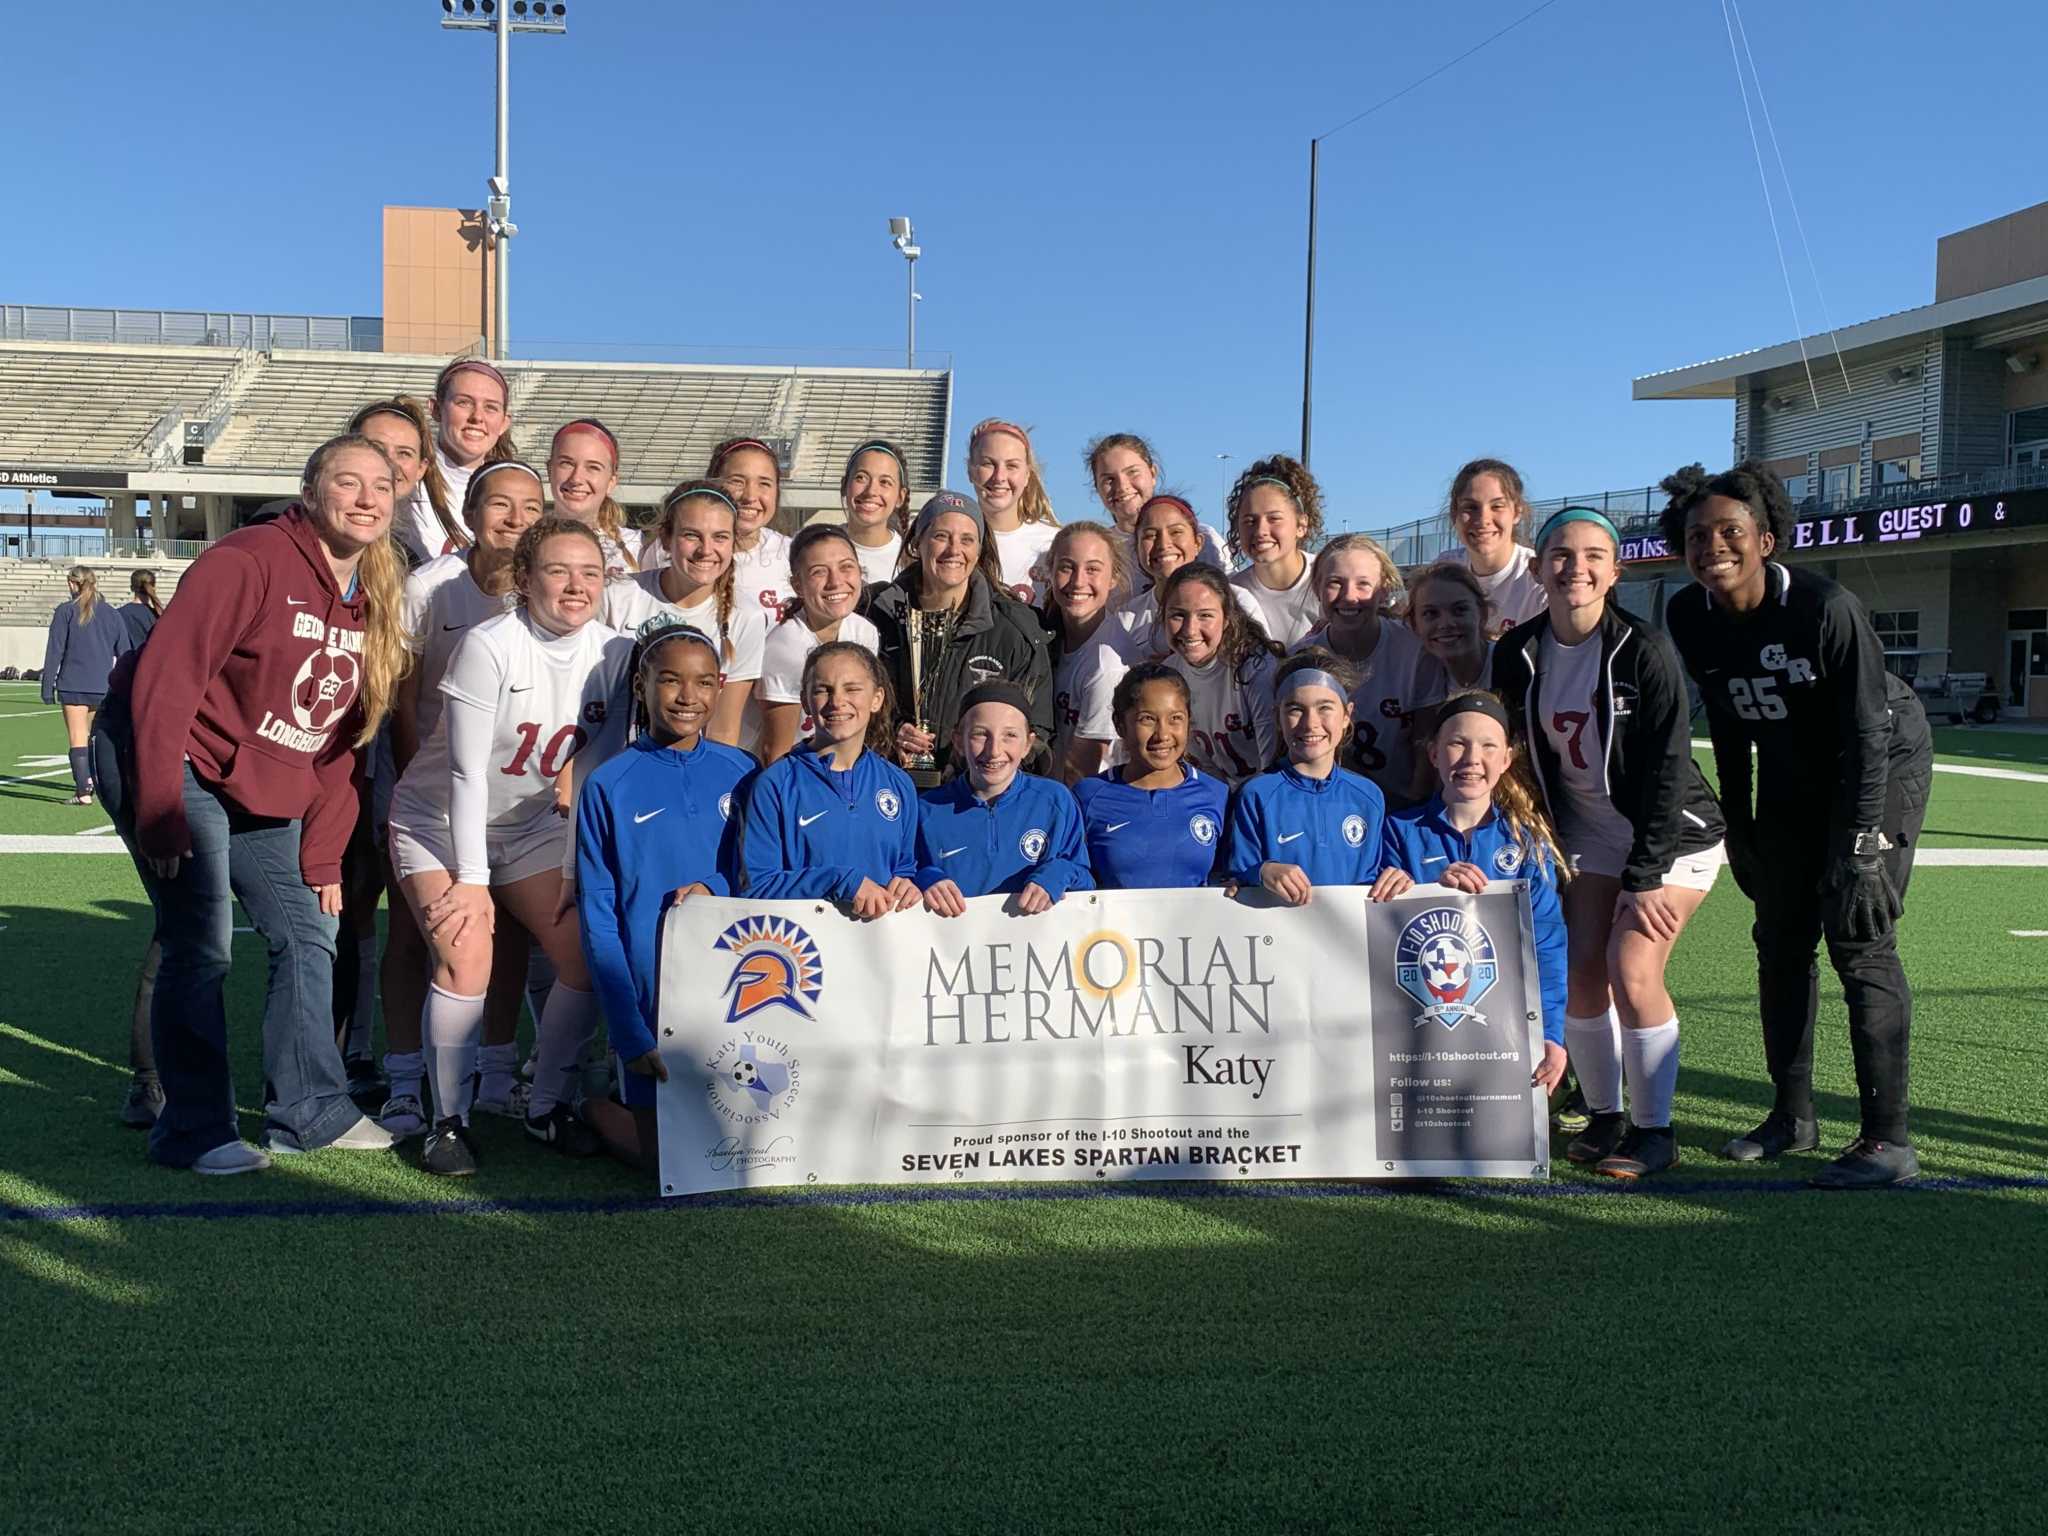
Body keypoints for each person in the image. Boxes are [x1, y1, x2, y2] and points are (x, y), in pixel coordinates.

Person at [92, 434, 408, 1172]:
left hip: (260, 780)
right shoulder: (248, 561)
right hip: (171, 755)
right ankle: (193, 1131)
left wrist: (324, 853)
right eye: (348, 482)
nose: (366, 498)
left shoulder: (374, 598)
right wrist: (161, 808)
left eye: (382, 486)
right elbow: (166, 682)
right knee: (202, 942)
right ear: (311, 493)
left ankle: (313, 1111)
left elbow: (338, 744)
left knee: (307, 931)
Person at [1661, 462, 1933, 1190]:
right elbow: (1728, 726)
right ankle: (1792, 1115)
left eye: (1730, 531)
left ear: (1766, 540)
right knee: (1780, 941)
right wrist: (1742, 830)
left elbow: (1869, 734)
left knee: (1859, 935)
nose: (1712, 546)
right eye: (1697, 535)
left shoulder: (1824, 607)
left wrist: (1860, 848)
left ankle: (1888, 1140)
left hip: (1876, 761)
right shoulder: (1689, 613)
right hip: (1789, 768)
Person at [386, 515, 631, 1175]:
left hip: (528, 827)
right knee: (467, 953)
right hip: (438, 820)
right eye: (558, 570)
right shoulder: (489, 644)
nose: (576, 586)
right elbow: (466, 773)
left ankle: (546, 1103)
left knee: (584, 956)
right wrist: (469, 880)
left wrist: (576, 778)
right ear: (523, 580)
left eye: (589, 572)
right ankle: (447, 1120)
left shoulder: (615, 651)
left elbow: (603, 750)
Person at [1492, 507, 1727, 1179]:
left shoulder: (1643, 649)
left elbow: (1667, 769)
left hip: (1672, 837)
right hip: (1588, 833)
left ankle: (1657, 1132)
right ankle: (1605, 1115)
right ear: (1537, 569)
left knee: (1633, 967)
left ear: (1615, 570)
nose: (1577, 567)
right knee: (1579, 973)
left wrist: (1646, 875)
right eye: (1561, 554)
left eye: (1594, 555)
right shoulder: (1518, 652)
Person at [375, 458, 543, 1138]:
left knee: (506, 937)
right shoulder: (432, 587)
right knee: (422, 937)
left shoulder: (546, 589)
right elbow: (402, 698)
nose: (515, 518)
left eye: (531, 507)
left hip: (509, 801)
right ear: (469, 515)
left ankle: (497, 1073)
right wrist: (422, 776)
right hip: (428, 792)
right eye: (500, 504)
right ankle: (404, 1081)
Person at [575, 618, 753, 1172]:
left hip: (734, 981)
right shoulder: (609, 783)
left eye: (703, 683)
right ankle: (594, 1109)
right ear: (642, 686)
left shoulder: (744, 772)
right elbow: (599, 913)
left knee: (740, 1148)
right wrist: (628, 1030)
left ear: (719, 688)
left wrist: (715, 887)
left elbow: (762, 876)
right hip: (653, 993)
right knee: (667, 1166)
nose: (686, 696)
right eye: (670, 680)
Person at [1371, 692, 1569, 1096]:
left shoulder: (1527, 839)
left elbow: (1546, 945)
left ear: (1506, 759)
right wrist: (1422, 892)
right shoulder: (1397, 830)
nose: (1471, 758)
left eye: (1488, 746)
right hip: (1416, 1028)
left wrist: (1550, 1033)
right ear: (1433, 754)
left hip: (1502, 1026)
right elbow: (1373, 926)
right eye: (1457, 743)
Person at [870, 490, 1053, 784]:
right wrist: (891, 731)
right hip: (887, 787)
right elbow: (851, 704)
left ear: (979, 550)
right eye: (941, 536)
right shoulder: (877, 615)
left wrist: (977, 764)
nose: (954, 550)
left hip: (972, 802)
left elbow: (1038, 733)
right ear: (918, 543)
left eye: (967, 539)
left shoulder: (1014, 631)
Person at [739, 641, 922, 914]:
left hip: (878, 947)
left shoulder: (898, 784)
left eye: (852, 689)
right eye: (823, 690)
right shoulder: (775, 784)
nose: (837, 702)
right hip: (804, 949)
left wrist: (908, 886)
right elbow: (757, 886)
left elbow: (905, 868)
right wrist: (839, 881)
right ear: (804, 700)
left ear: (876, 699)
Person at [602, 479, 766, 750]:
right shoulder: (617, 595)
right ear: (666, 538)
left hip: (688, 772)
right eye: (691, 535)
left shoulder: (747, 617)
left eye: (720, 537)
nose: (706, 549)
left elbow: (723, 730)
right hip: (611, 766)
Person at [914, 680, 1092, 915]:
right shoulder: (926, 809)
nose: (994, 750)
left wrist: (1059, 872)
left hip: (1035, 946)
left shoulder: (1055, 801)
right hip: (958, 947)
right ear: (958, 740)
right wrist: (927, 878)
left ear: (1028, 744)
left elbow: (1085, 879)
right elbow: (905, 871)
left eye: (1009, 735)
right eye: (980, 734)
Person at [1225, 651, 1388, 903]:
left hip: (1350, 939)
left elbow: (1377, 879)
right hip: (1280, 936)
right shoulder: (1256, 794)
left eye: (1324, 708)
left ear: (1347, 715)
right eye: (1296, 709)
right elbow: (1234, 876)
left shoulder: (1368, 796)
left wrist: (1398, 878)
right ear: (1277, 716)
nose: (1310, 723)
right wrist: (1262, 871)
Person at [1298, 533, 1446, 808]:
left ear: (1384, 590)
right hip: (1331, 806)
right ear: (1317, 587)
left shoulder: (1414, 650)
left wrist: (1412, 806)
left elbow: (1426, 740)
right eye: (1334, 584)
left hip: (1405, 807)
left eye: (1363, 584)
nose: (1349, 597)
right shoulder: (1303, 658)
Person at [1072, 663, 1228, 889]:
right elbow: (1073, 872)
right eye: (1147, 719)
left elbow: (1230, 876)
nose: (1163, 734)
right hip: (1116, 925)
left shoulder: (1217, 794)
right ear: (1120, 725)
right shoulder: (1087, 796)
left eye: (1175, 718)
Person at [757, 524, 881, 761]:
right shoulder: (785, 645)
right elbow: (775, 751)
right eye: (819, 572)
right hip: (794, 774)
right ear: (797, 586)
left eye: (846, 567)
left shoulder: (865, 632)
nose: (835, 581)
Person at [1159, 563, 1279, 788]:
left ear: (1226, 619)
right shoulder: (1170, 676)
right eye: (1178, 615)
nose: (1190, 630)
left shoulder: (1255, 666)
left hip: (1266, 796)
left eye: (1205, 615)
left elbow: (1273, 764)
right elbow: (1203, 766)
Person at [1107, 493, 1265, 663]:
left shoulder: (1237, 600)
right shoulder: (1126, 618)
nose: (1163, 544)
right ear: (1137, 549)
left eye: (1176, 532)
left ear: (1198, 543)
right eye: (1150, 535)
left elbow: (1261, 665)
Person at [1040, 521, 1132, 784]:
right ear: (1050, 571)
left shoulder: (1108, 664)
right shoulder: (1047, 634)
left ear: (1113, 578)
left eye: (1093, 569)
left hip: (1091, 803)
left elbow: (1083, 770)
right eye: (1067, 567)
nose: (1078, 581)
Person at [1084, 433, 1230, 577]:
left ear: (1153, 473)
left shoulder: (1202, 537)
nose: (1122, 486)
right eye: (1109, 479)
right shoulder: (1096, 550)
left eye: (1133, 472)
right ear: (1097, 487)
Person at [42, 565, 127, 805]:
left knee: (78, 736)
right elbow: (125, 653)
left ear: (72, 584)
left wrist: (47, 686)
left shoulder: (65, 611)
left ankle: (83, 791)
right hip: (103, 685)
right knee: (95, 738)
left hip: (73, 683)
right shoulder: (112, 613)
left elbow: (54, 651)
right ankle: (104, 786)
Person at [1227, 456, 1325, 648]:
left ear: (1301, 525)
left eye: (1274, 519)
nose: (1260, 531)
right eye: (1249, 521)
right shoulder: (1232, 594)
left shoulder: (1327, 579)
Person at [352, 396, 461, 566]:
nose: (390, 463)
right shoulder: (307, 538)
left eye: (404, 453)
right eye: (376, 448)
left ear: (421, 469)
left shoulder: (410, 561)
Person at [1444, 458, 1546, 634]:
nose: (1483, 520)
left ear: (1517, 512)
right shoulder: (1445, 570)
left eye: (1497, 506)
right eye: (1471, 507)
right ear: (1455, 513)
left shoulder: (1538, 579)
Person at [966, 418, 1060, 603]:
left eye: (1012, 466)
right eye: (988, 464)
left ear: (1027, 475)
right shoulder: (952, 541)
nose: (999, 477)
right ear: (970, 470)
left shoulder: (1053, 543)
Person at [429, 359, 519, 537]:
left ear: (504, 423)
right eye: (464, 402)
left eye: (490, 407)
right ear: (436, 409)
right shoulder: (407, 479)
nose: (477, 417)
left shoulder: (517, 490)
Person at [548, 417, 644, 580]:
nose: (576, 478)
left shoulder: (639, 548)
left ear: (611, 482)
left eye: (593, 467)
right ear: (550, 470)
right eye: (566, 463)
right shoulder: (523, 541)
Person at [712, 436, 792, 619]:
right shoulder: (680, 553)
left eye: (764, 483)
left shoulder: (793, 555)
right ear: (713, 484)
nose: (750, 496)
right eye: (737, 481)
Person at [1406, 562, 1494, 691]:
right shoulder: (1417, 675)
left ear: (1482, 614)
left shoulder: (1514, 664)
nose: (1446, 624)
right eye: (1431, 613)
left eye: (1459, 610)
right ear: (1414, 623)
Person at [841, 439, 910, 586]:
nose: (871, 491)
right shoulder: (815, 548)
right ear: (844, 485)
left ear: (900, 497)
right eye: (861, 478)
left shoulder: (911, 561)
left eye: (885, 482)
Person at [118, 569, 163, 649]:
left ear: (132, 588)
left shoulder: (119, 614)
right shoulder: (159, 614)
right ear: (154, 588)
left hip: (130, 660)